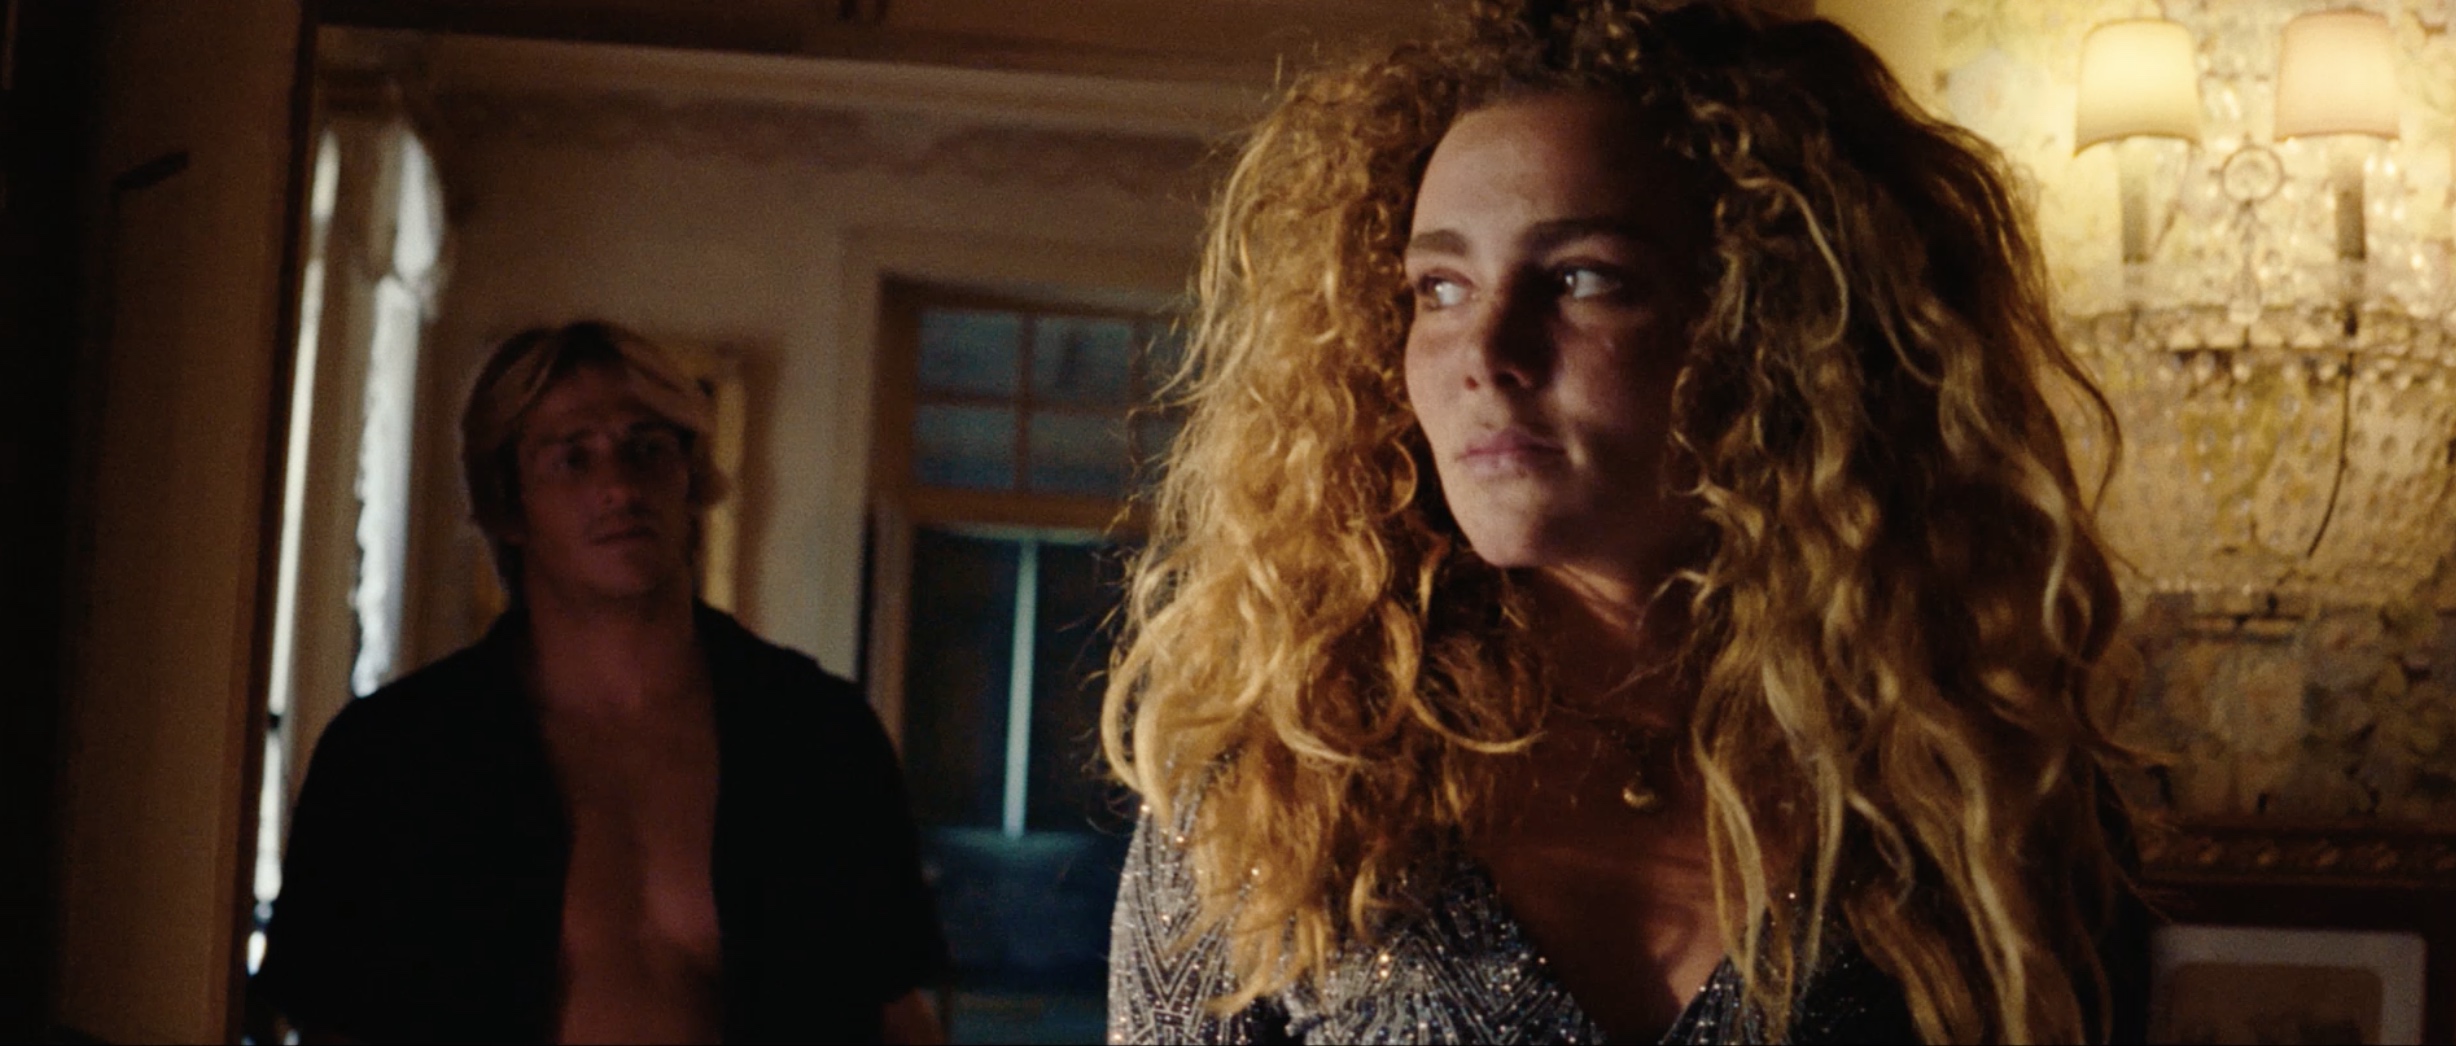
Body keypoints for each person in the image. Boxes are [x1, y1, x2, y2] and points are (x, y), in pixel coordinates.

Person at [1101, 2, 2147, 1043]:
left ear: (1775, 330)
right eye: (1440, 286)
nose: (1486, 352)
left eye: (1581, 279)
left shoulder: (1985, 796)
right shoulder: (1275, 791)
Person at [256, 322, 947, 1044]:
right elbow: (328, 1024)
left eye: (647, 448)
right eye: (572, 458)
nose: (619, 486)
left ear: (689, 475)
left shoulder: (817, 736)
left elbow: (894, 1013)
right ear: (508, 503)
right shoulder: (395, 756)